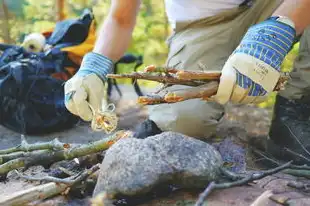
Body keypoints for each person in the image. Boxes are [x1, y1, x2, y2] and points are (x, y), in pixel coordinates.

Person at [64, 0, 310, 164]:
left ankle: (296, 108)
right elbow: (120, 18)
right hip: (202, 27)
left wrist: (280, 28)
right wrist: (94, 65)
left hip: (278, 5)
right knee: (182, 120)